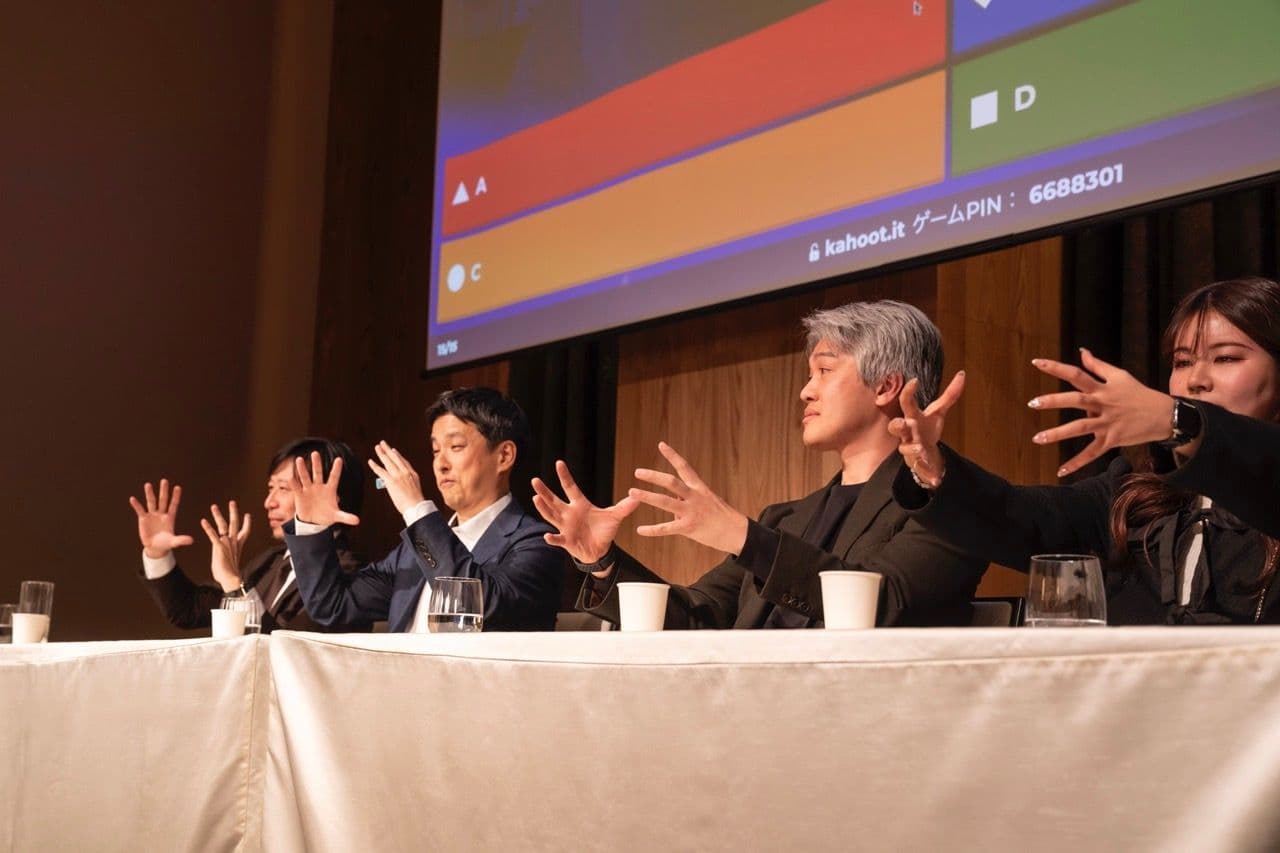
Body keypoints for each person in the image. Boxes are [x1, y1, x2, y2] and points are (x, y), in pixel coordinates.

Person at [532, 300, 987, 628]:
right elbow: (697, 618)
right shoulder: (787, 519)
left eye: (824, 371)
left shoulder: (951, 507)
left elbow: (879, 604)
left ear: (887, 386)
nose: (806, 391)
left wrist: (742, 536)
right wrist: (602, 561)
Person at [890, 275, 1280, 624]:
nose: (1196, 380)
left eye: (1226, 358)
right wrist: (934, 469)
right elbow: (1024, 517)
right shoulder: (1136, 487)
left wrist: (1175, 419)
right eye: (1182, 361)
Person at [285, 387, 563, 631]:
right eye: (434, 450)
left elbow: (480, 606)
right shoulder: (416, 549)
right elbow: (334, 606)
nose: (440, 464)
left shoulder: (536, 542)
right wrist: (312, 526)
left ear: (503, 456)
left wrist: (417, 510)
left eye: (455, 446)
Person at [131, 437, 370, 633]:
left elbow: (288, 657)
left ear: (329, 496)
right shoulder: (272, 561)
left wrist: (235, 585)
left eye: (283, 489)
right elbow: (187, 610)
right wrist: (157, 553)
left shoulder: (351, 574)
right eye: (270, 488)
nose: (268, 502)